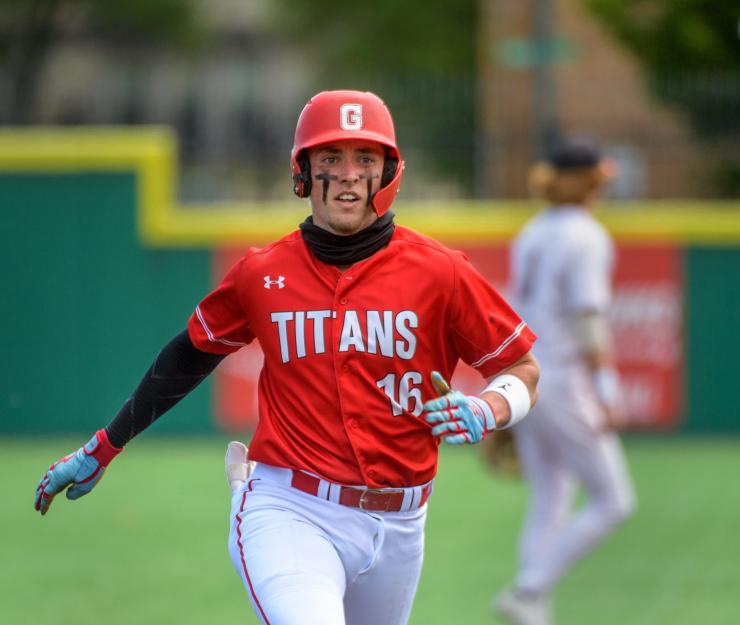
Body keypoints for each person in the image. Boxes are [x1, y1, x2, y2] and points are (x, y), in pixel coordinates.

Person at [34, 89, 540, 625]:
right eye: (330, 159)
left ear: (390, 172)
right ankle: (247, 504)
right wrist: (106, 444)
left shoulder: (441, 272)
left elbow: (523, 370)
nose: (348, 174)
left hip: (402, 525)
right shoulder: (261, 274)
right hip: (293, 510)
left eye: (365, 159)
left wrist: (490, 408)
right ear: (303, 174)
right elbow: (189, 355)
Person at [494, 136, 636, 625]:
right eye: (600, 177)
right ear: (587, 181)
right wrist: (608, 392)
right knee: (614, 501)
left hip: (526, 377)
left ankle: (533, 608)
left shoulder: (532, 231)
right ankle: (528, 589)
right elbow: (588, 324)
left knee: (550, 497)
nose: (604, 186)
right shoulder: (586, 234)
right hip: (565, 378)